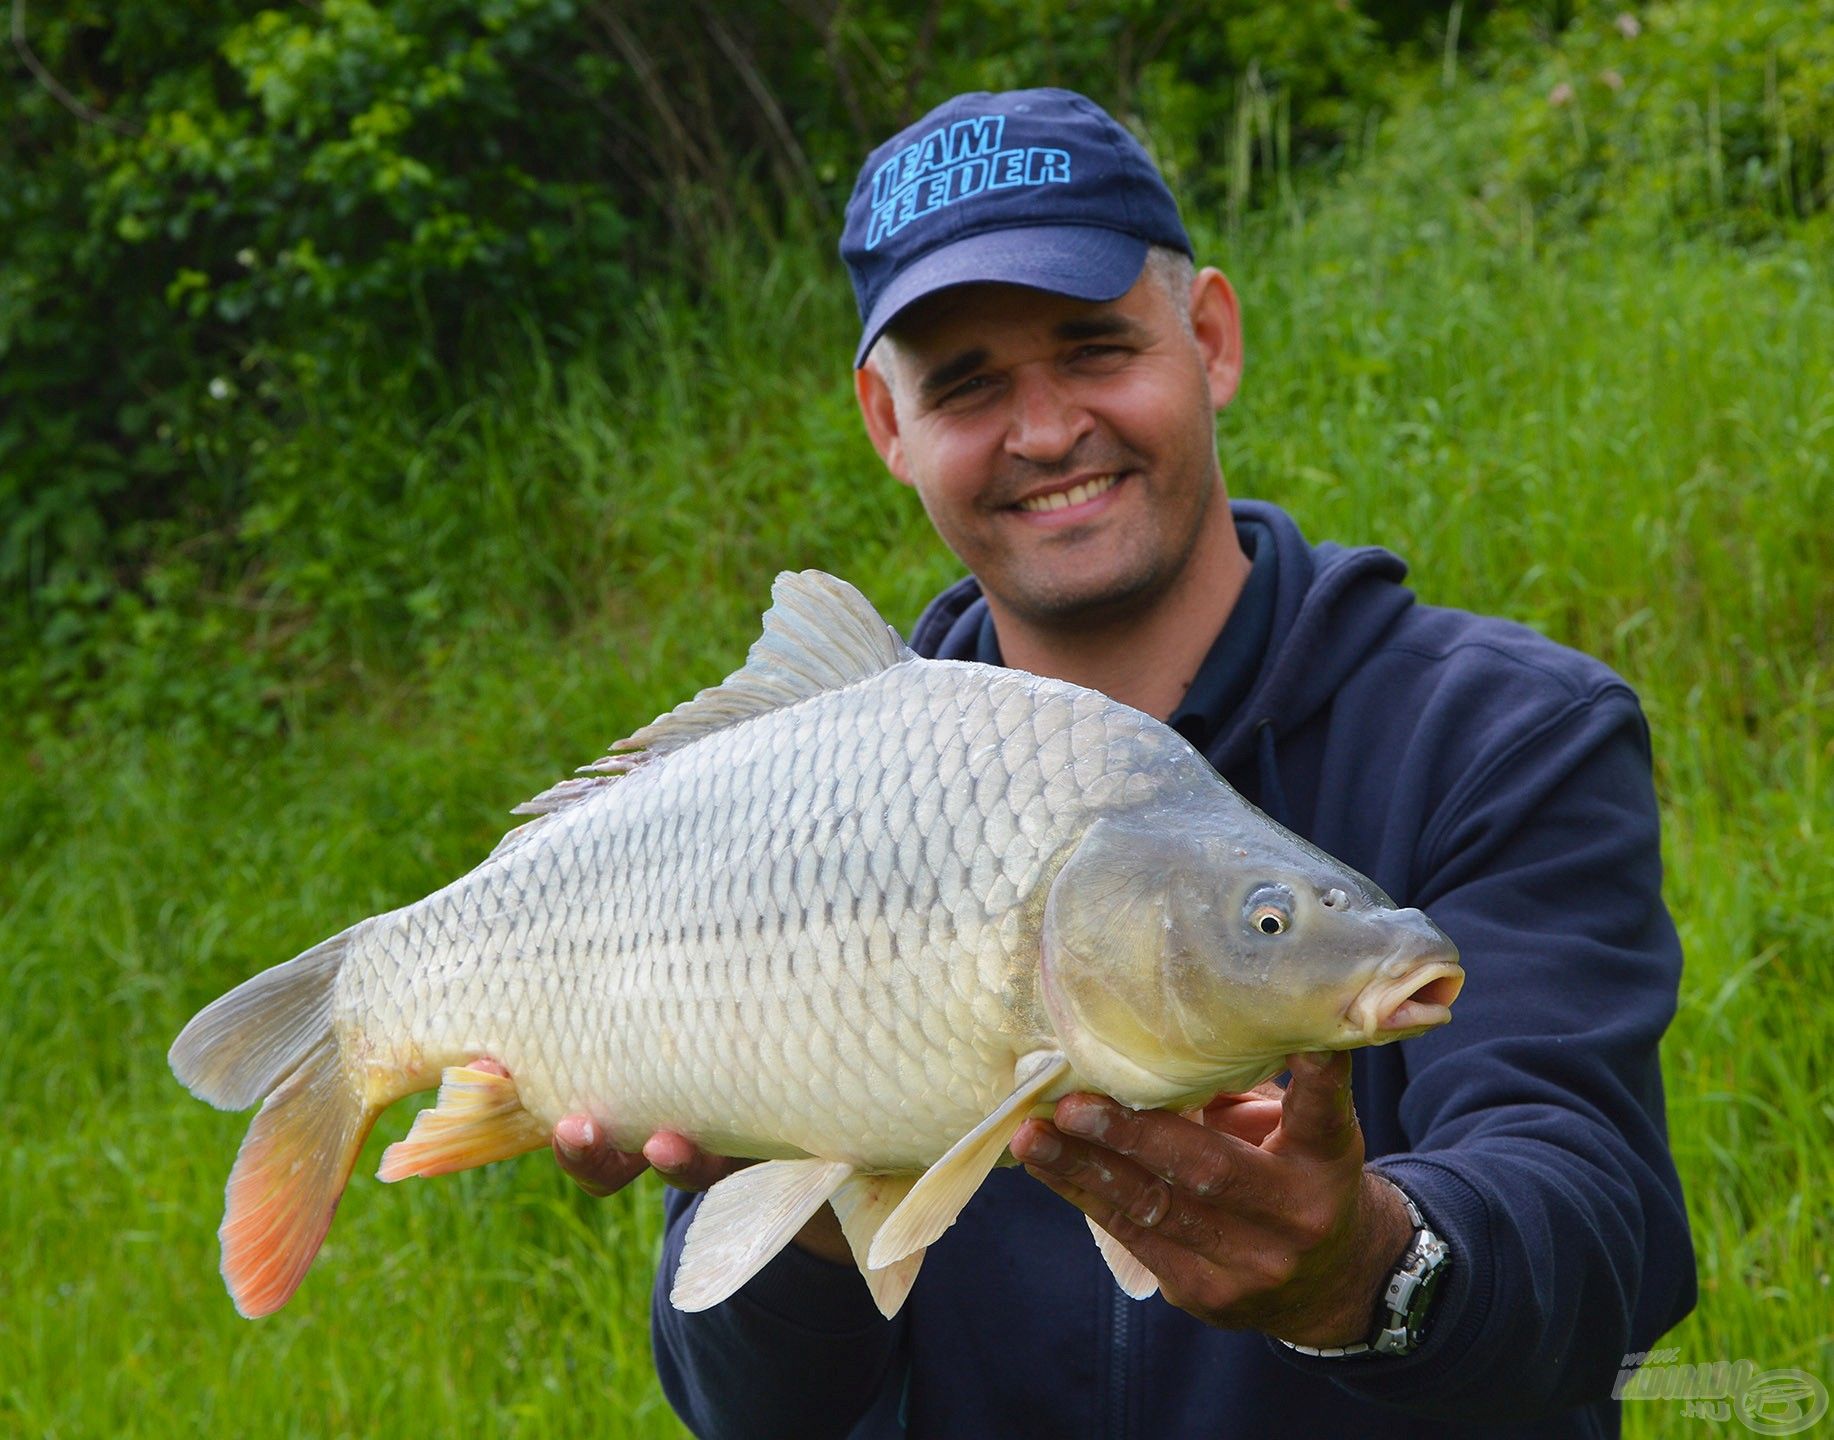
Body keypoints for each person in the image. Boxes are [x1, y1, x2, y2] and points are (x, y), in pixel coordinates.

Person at [529, 88, 1697, 1436]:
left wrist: (1369, 1268)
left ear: (1208, 337)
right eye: (964, 383)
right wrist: (800, 1204)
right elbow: (755, 1419)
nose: (1042, 430)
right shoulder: (803, 804)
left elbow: (1603, 1227)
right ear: (884, 426)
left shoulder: (1501, 736)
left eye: (1093, 348)